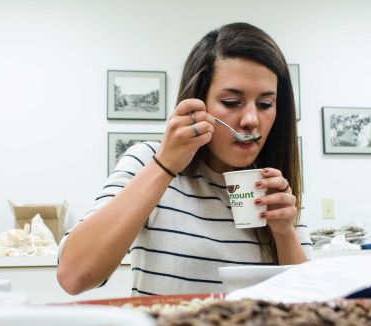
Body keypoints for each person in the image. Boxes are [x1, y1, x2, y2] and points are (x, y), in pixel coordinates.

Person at [57, 22, 311, 296]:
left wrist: (284, 232)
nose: (251, 120)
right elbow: (74, 277)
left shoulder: (275, 187)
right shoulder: (148, 161)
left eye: (265, 105)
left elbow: (309, 306)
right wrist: (165, 165)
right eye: (231, 102)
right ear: (198, 103)